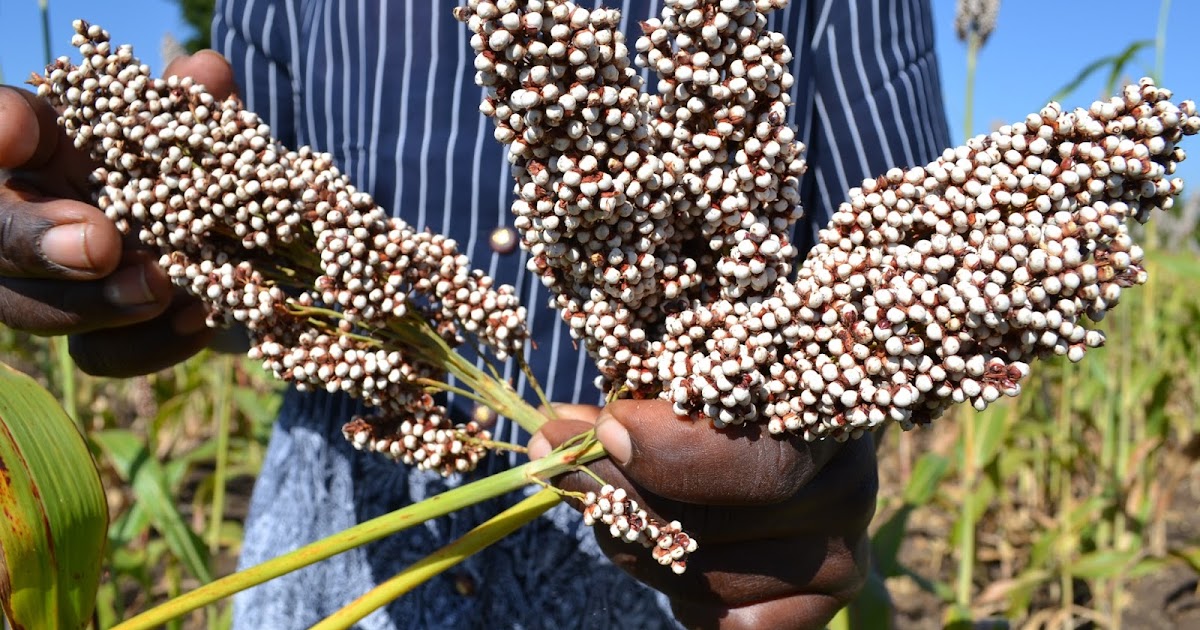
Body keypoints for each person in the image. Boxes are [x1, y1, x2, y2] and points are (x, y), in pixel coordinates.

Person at [0, 0, 949, 627]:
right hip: (335, 511)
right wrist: (152, 240)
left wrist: (812, 434)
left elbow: (910, 268)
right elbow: (274, 242)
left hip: (674, 540)